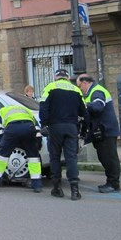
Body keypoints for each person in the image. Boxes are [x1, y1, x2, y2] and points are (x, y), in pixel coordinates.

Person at [40, 69, 88, 200]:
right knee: (71, 157)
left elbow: (43, 107)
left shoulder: (50, 87)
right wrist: (84, 130)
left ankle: (57, 188)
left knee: (54, 157)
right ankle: (75, 190)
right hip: (71, 127)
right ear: (67, 78)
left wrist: (44, 124)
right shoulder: (76, 90)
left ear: (56, 77)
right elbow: (84, 112)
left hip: (55, 126)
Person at [0, 104, 43, 192]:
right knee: (33, 158)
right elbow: (37, 128)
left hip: (12, 129)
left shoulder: (2, 111)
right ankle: (37, 185)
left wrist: (4, 144)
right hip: (29, 128)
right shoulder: (25, 110)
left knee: (1, 157)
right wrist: (38, 143)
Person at [76, 73, 121, 193]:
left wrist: (83, 105)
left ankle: (113, 184)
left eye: (80, 87)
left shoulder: (96, 91)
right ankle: (111, 182)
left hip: (106, 131)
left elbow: (98, 107)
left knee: (109, 158)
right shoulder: (92, 92)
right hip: (101, 131)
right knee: (104, 157)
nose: (81, 90)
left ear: (85, 83)